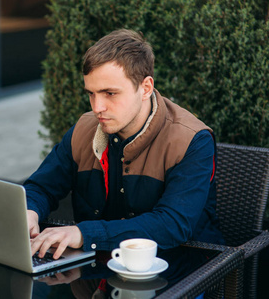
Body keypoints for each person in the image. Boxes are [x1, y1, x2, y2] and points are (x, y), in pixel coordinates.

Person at [25, 29, 224, 260]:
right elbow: (41, 187)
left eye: (110, 93)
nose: (97, 107)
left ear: (146, 88)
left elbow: (172, 224)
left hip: (184, 271)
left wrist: (83, 233)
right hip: (96, 271)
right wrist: (29, 212)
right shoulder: (83, 129)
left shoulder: (193, 140)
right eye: (91, 93)